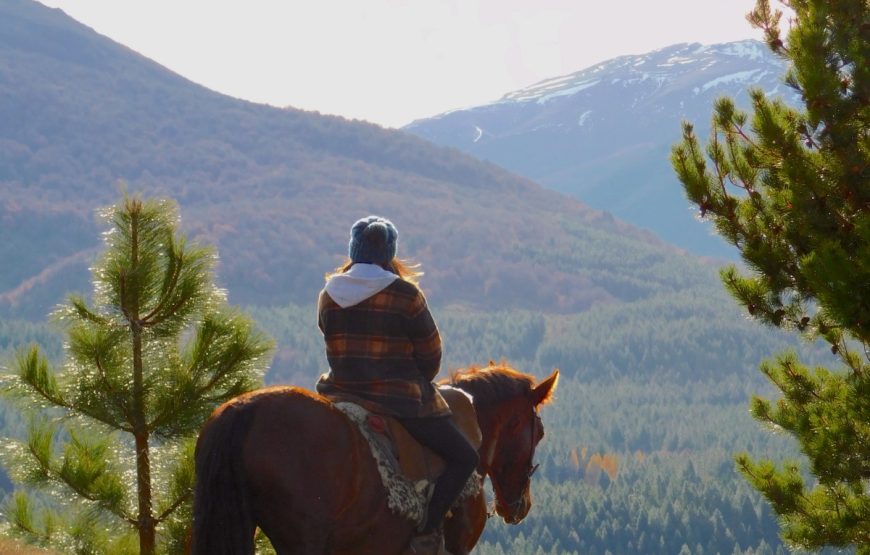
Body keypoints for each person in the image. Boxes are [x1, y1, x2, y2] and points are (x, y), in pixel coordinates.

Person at [316, 215, 479, 555]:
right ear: (389, 253)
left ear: (353, 250)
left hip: (341, 394)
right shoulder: (406, 295)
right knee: (464, 457)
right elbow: (432, 356)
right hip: (399, 401)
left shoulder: (329, 294)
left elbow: (329, 338)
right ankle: (428, 530)